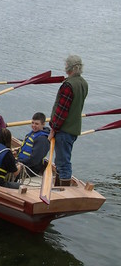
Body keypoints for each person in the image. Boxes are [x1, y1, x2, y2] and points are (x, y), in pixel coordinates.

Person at [49, 55, 88, 186]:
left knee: (63, 162)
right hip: (74, 129)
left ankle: (64, 192)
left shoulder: (68, 85)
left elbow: (61, 111)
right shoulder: (83, 83)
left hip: (64, 130)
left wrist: (53, 129)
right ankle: (58, 187)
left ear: (69, 68)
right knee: (62, 159)